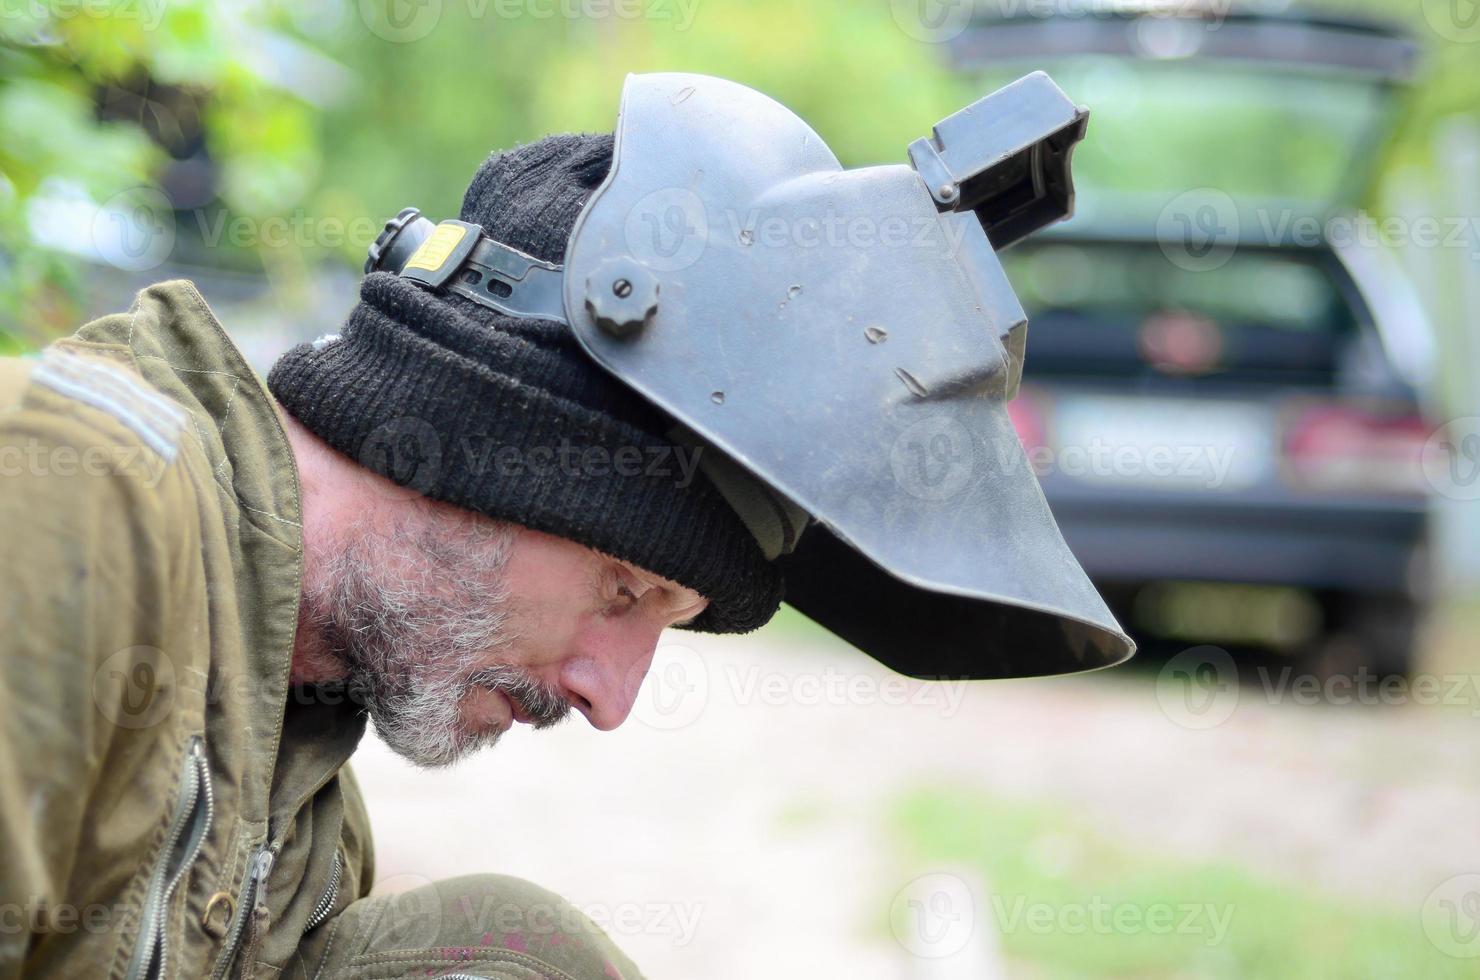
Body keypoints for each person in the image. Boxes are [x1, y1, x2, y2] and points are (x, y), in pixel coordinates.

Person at [0, 133, 775, 980]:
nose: (612, 698)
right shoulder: (68, 504)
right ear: (469, 445)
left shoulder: (305, 815)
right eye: (624, 589)